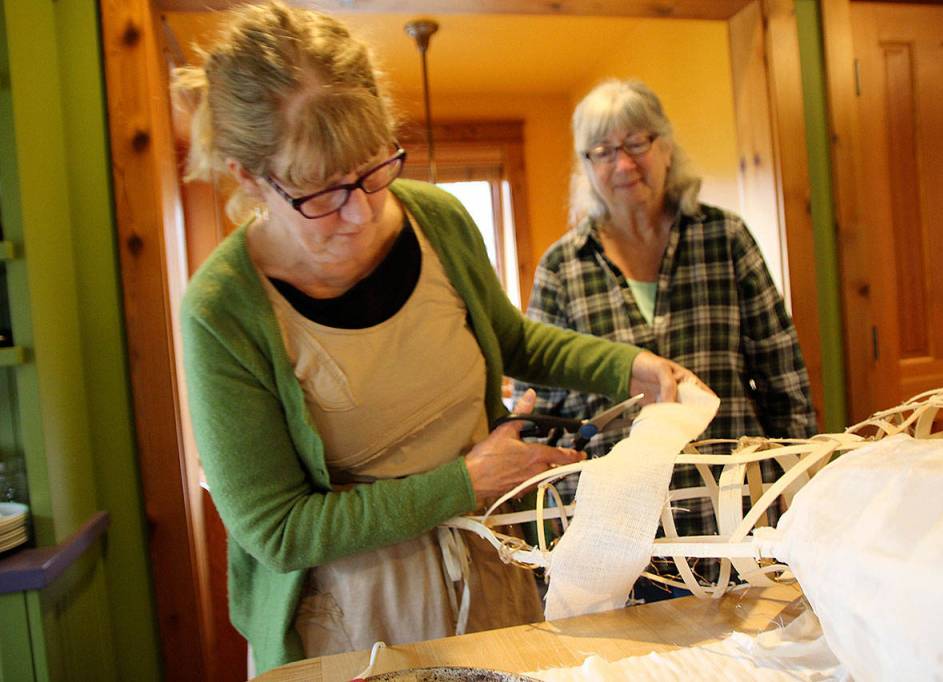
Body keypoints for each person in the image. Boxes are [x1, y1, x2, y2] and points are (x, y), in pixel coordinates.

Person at [174, 6, 699, 675]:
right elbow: (278, 529)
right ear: (249, 177)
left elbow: (512, 340)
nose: (361, 212)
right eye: (321, 193)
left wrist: (630, 366)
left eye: (371, 170)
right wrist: (464, 482)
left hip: (487, 567)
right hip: (349, 616)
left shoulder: (437, 221)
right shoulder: (223, 311)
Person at [512, 79, 816, 596]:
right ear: (586, 166)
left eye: (637, 143)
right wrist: (552, 528)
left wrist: (800, 492)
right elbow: (542, 413)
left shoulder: (726, 239)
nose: (624, 165)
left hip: (735, 518)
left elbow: (783, 377)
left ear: (667, 147)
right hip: (615, 535)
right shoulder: (563, 267)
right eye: (604, 151)